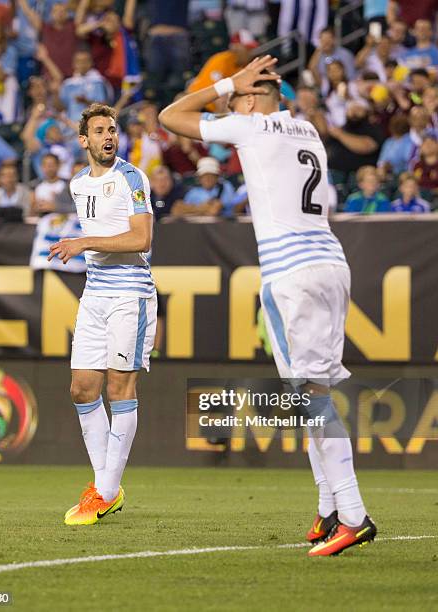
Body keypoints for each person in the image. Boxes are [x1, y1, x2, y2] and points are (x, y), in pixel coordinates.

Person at [159, 54, 377, 556]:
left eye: (239, 97)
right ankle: (328, 508)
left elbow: (170, 116)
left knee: (311, 399)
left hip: (291, 273)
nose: (232, 104)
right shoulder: (309, 131)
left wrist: (224, 85)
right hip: (330, 262)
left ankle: (354, 515)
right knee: (308, 392)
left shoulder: (252, 127)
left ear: (253, 100)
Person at [48, 103, 157, 526]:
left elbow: (141, 238)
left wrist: (83, 243)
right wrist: (85, 245)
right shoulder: (78, 184)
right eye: (99, 131)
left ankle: (106, 492)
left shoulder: (131, 177)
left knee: (118, 386)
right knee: (81, 388)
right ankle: (105, 486)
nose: (108, 136)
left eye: (112, 129)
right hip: (95, 295)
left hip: (131, 294)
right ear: (84, 141)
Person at [171, 156, 236, 217]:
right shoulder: (194, 191)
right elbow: (177, 210)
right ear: (199, 178)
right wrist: (201, 208)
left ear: (217, 177)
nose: (207, 178)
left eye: (211, 175)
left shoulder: (225, 186)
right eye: (204, 176)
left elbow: (214, 210)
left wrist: (191, 209)